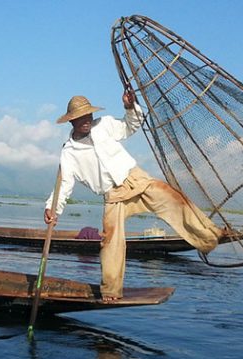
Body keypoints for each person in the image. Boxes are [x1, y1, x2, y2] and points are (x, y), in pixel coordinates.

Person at [44, 93, 222, 301]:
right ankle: (111, 291)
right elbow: (64, 184)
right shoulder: (69, 152)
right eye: (81, 117)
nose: (86, 120)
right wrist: (52, 208)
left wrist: (131, 108)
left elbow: (131, 125)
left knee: (174, 200)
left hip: (135, 179)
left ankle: (210, 237)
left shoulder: (104, 125)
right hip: (113, 195)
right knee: (111, 242)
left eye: (88, 115)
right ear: (72, 120)